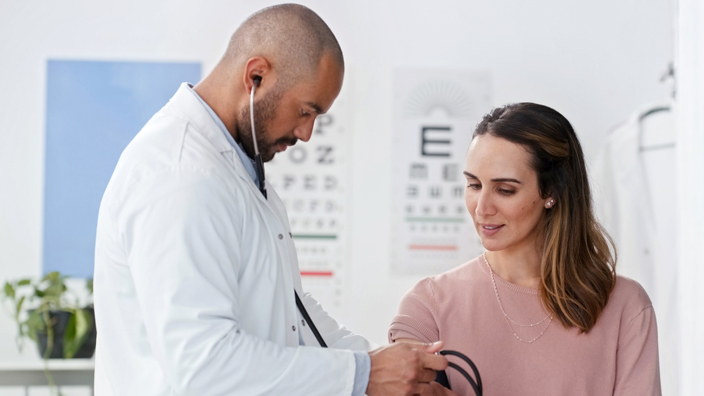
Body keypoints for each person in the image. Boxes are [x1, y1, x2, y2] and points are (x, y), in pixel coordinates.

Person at [93, 4, 448, 396]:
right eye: (305, 110)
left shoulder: (237, 169)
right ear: (256, 75)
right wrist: (362, 374)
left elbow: (290, 310)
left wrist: (382, 364)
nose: (307, 133)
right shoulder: (182, 176)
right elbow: (202, 365)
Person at [389, 103, 661, 396]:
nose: (482, 208)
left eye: (505, 190)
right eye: (473, 185)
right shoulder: (428, 307)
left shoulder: (625, 307)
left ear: (552, 192)